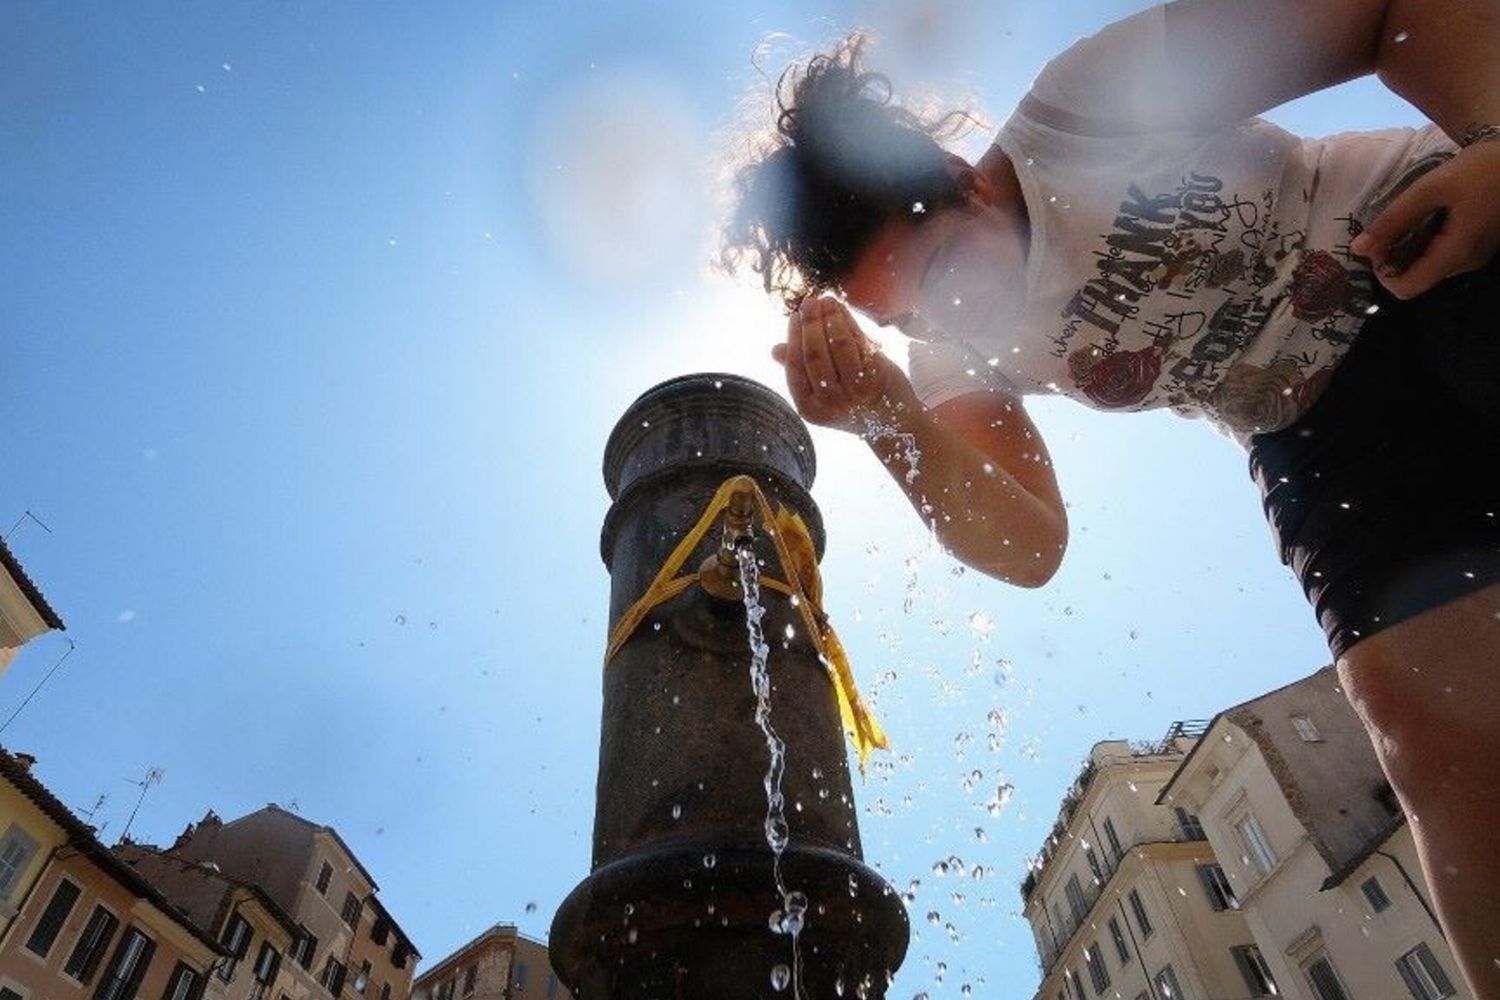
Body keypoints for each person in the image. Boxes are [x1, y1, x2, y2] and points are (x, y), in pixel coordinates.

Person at [720, 0, 1500, 993]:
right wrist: (889, 418)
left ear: (963, 181)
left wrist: (1492, 142)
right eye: (909, 315)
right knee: (1414, 714)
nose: (950, 319)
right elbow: (1028, 544)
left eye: (948, 276)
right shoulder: (949, 353)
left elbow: (1391, 14)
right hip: (1310, 426)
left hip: (1421, 241)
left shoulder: (1085, 108)